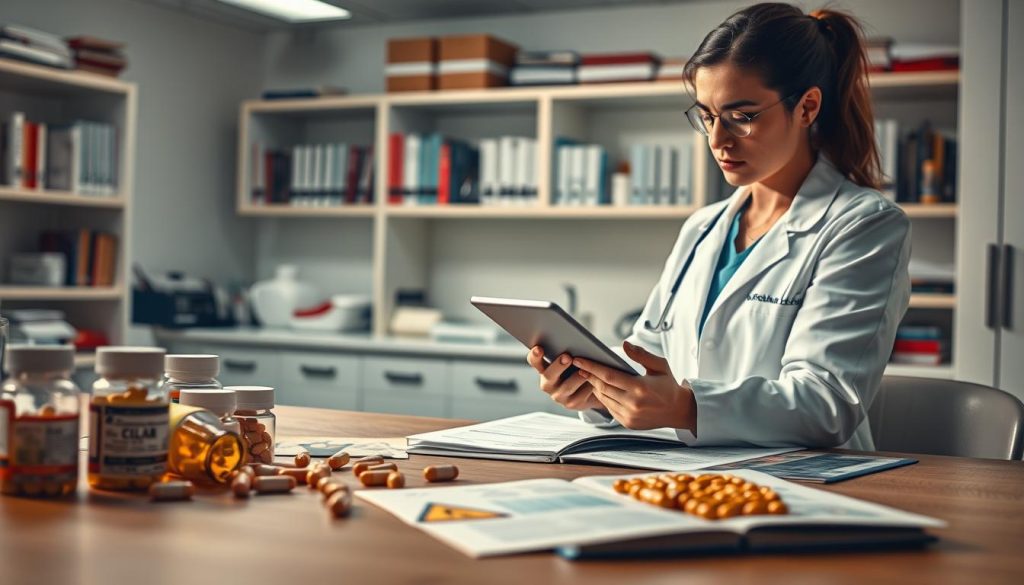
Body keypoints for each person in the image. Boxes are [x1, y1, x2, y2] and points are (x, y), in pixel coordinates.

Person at [526, 3, 910, 450]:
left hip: (805, 478)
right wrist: (598, 391)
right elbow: (648, 356)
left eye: (741, 117)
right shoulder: (703, 227)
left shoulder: (864, 226)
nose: (717, 140)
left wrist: (688, 408)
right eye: (707, 116)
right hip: (692, 471)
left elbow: (826, 403)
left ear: (807, 107)